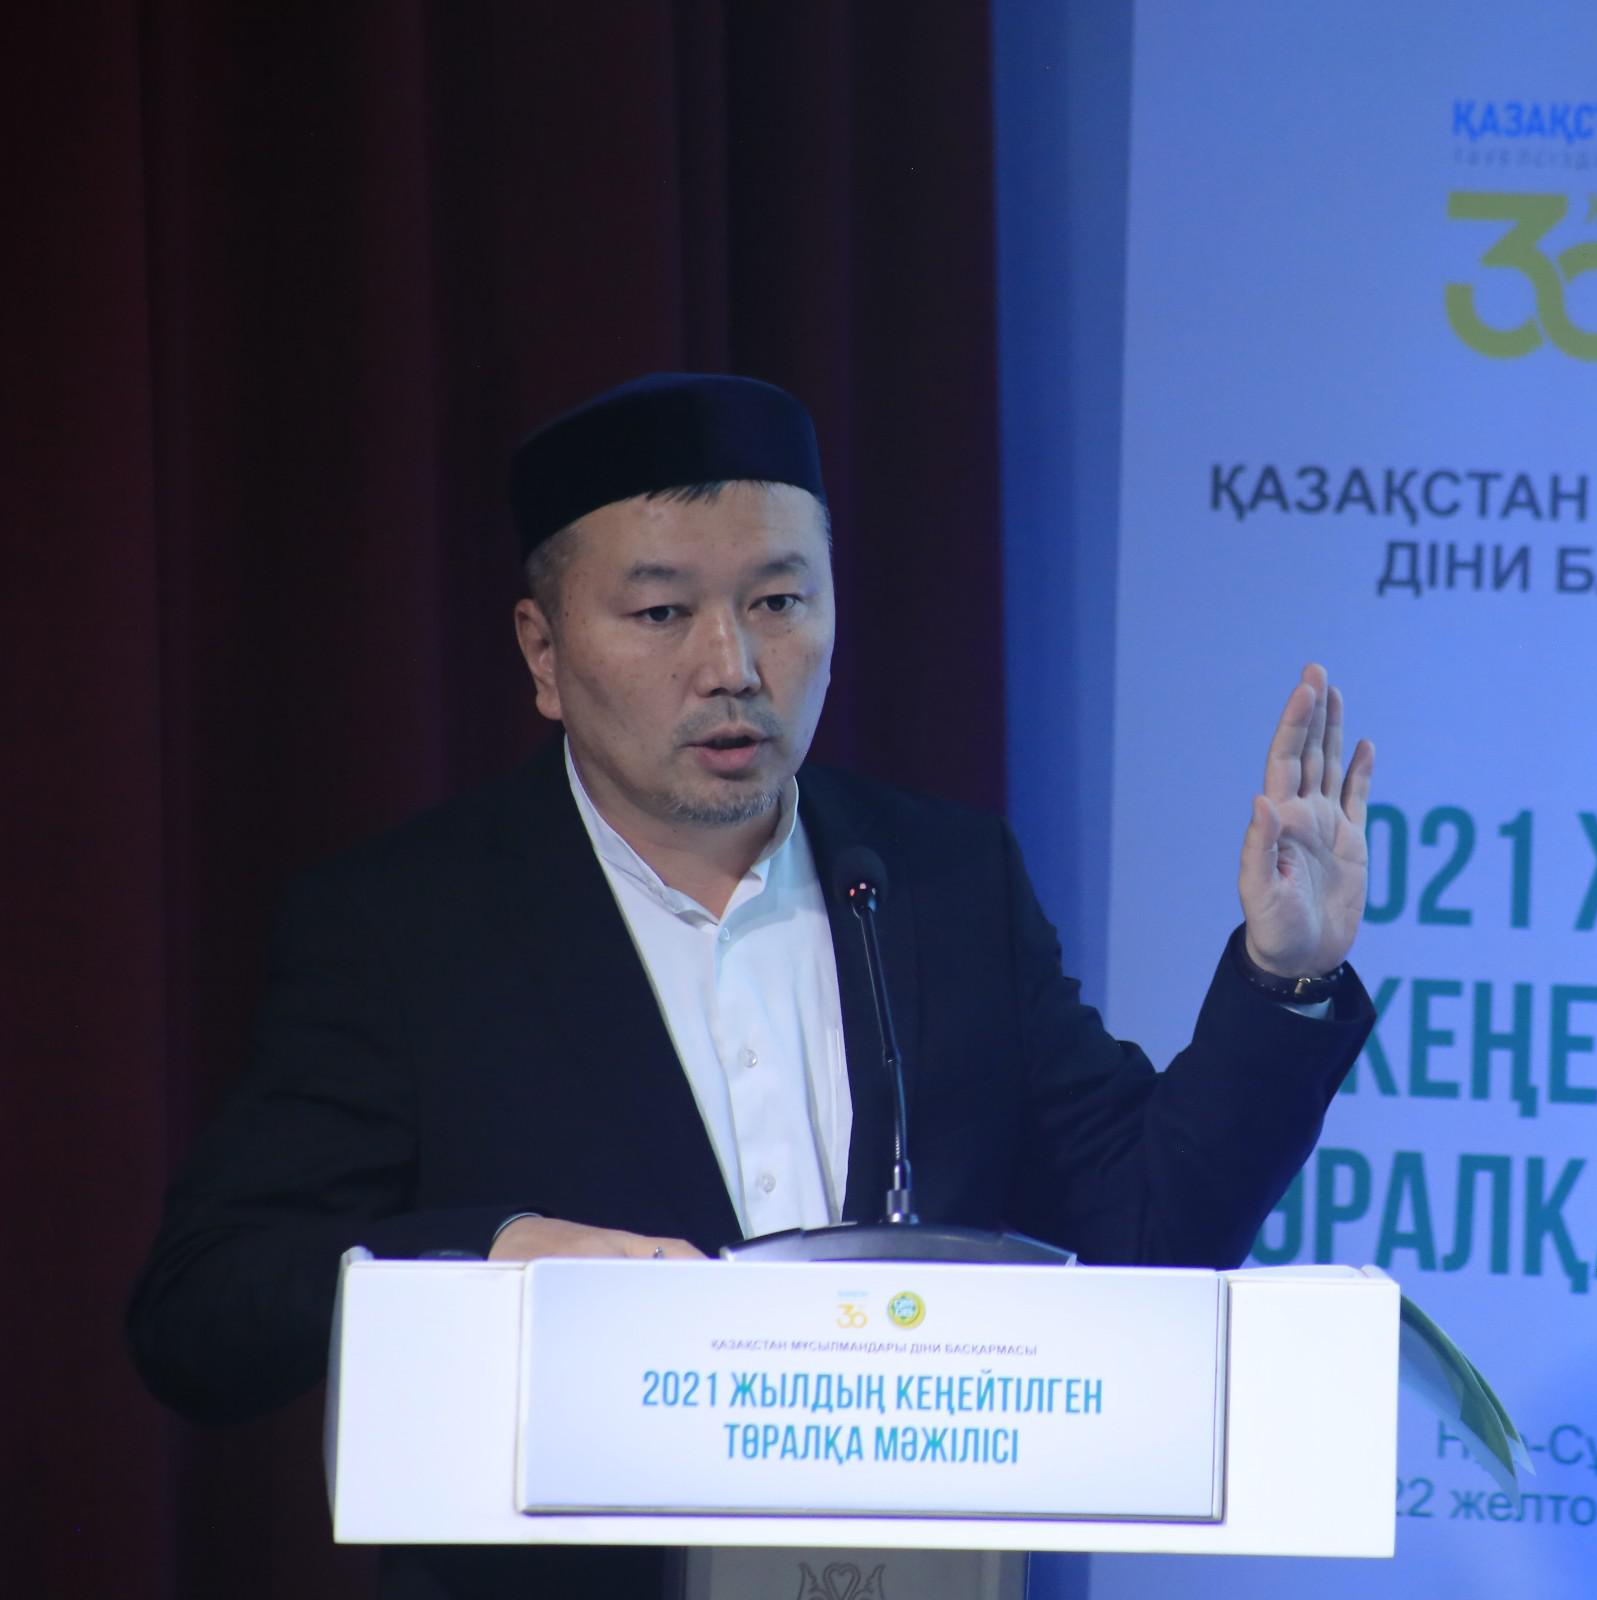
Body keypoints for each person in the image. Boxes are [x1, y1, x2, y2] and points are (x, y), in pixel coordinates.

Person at [126, 373, 1378, 1598]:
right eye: (661, 613)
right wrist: (487, 1253)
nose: (732, 665)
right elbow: (201, 1313)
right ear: (544, 653)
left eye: (778, 601)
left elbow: (1144, 1237)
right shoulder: (408, 926)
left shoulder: (939, 882)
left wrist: (1288, 973)